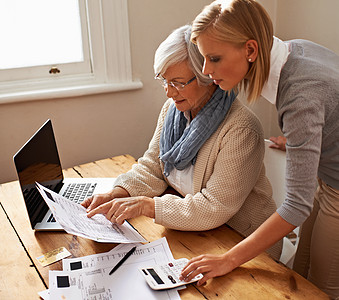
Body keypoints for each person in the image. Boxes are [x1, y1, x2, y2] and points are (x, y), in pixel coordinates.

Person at [179, 1, 339, 298]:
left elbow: (296, 206)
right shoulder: (294, 51)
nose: (205, 70)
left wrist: (228, 259)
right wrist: (301, 141)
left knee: (321, 288)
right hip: (328, 178)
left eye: (214, 58)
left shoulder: (299, 94)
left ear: (250, 50)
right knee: (300, 274)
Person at [82, 24, 282, 259]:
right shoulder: (173, 110)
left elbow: (213, 207)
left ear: (207, 77)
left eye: (177, 82)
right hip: (197, 236)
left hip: (243, 244)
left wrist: (148, 206)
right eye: (163, 80)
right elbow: (153, 167)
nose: (168, 92)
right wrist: (117, 193)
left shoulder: (241, 129)